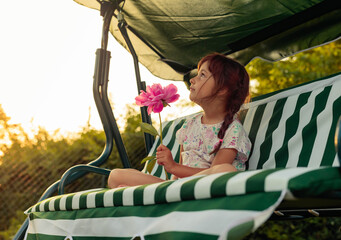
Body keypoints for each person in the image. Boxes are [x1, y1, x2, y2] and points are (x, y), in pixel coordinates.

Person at [108, 53, 251, 188]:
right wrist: (173, 174)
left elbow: (215, 176)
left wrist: (173, 167)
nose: (192, 79)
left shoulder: (233, 130)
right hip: (178, 189)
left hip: (205, 190)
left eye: (202, 75)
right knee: (115, 176)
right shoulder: (189, 125)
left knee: (225, 170)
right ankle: (162, 195)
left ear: (223, 89)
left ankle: (151, 195)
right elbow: (177, 175)